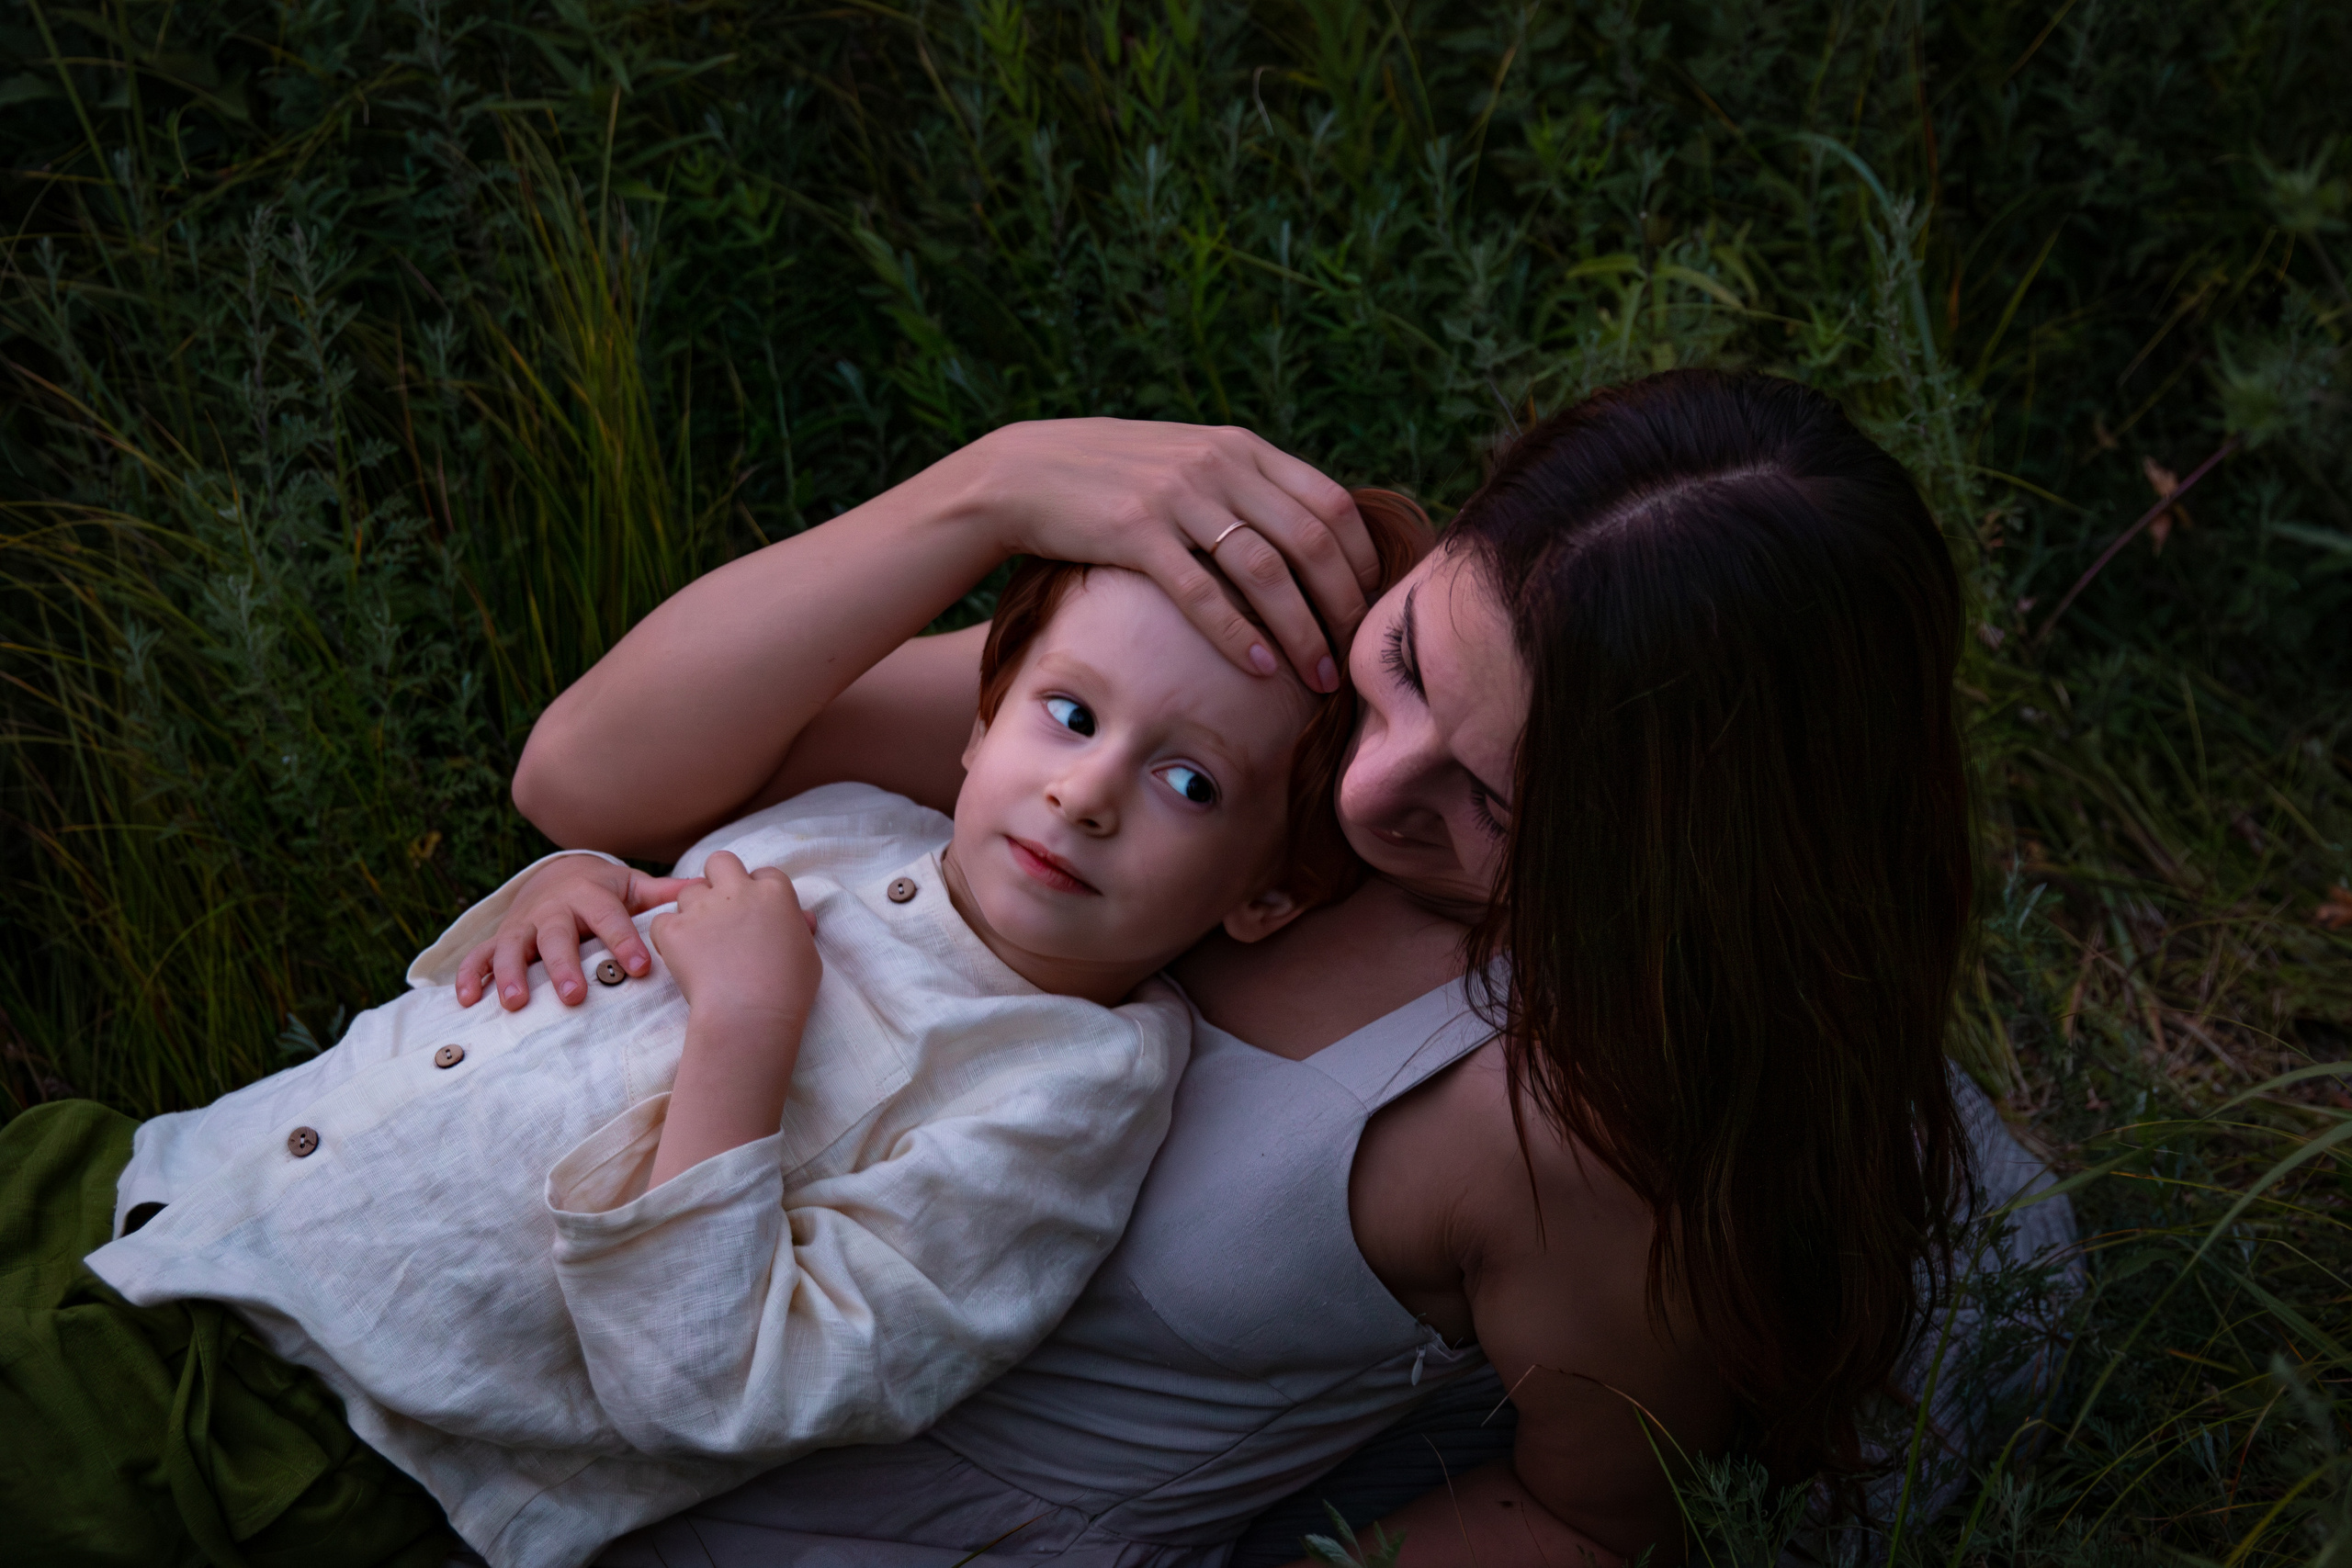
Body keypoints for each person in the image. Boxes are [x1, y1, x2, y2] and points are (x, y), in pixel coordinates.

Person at [478, 370, 2075, 1566]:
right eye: (1408, 667)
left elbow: (1596, 1518)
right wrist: (988, 488)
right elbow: (586, 779)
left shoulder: (1565, 1118)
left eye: (1495, 803)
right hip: (535, 1379)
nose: (1370, 797)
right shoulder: (1245, 688)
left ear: (1664, 848)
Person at [0, 503, 1429, 1568]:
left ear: (1269, 895)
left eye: (1189, 783)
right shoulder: (855, 825)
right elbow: (587, 957)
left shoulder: (1063, 1098)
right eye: (1067, 714)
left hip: (303, 1447)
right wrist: (568, 887)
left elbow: (723, 1387)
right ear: (979, 723)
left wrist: (747, 1027)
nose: (1088, 792)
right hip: (151, 1191)